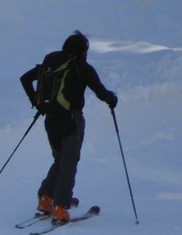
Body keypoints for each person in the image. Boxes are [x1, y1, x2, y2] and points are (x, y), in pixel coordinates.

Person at [20, 31, 118, 224]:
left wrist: (36, 102)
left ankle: (46, 198)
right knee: (69, 163)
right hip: (72, 121)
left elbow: (25, 79)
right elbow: (100, 92)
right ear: (82, 51)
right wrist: (112, 99)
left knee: (59, 160)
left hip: (51, 120)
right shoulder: (82, 67)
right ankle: (59, 207)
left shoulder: (49, 64)